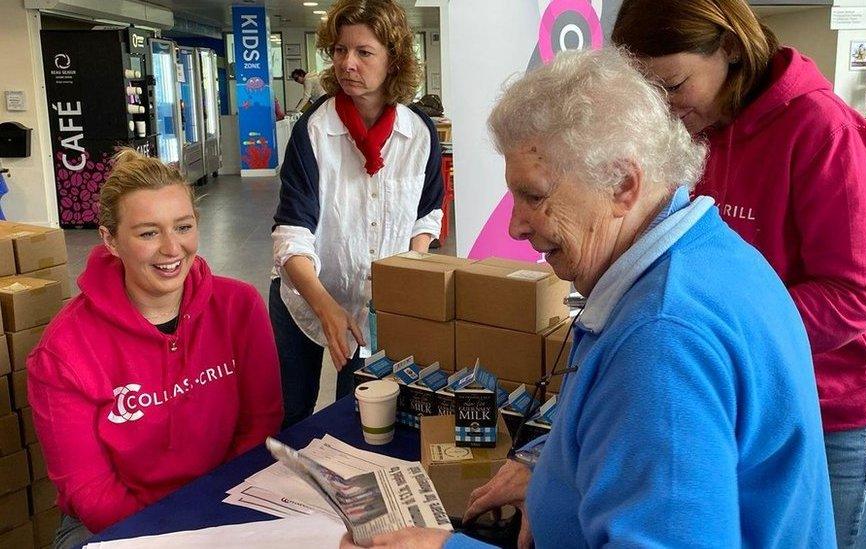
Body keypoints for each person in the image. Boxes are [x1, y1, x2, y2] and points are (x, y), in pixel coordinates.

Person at [341, 47, 834, 548]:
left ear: (622, 184)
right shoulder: (705, 253)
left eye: (534, 195)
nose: (515, 226)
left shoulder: (662, 343)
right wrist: (561, 477)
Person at [611, 1, 866, 547]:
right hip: (740, 403)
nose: (666, 109)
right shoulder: (699, 128)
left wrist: (719, 334)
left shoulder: (825, 133)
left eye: (674, 85)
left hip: (832, 414)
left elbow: (855, 295)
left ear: (727, 46)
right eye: (648, 94)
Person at [27, 149, 283, 549]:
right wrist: (179, 534)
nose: (171, 249)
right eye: (148, 233)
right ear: (110, 240)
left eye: (183, 227)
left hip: (224, 502)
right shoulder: (63, 351)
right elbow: (88, 490)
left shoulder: (239, 307)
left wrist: (218, 519)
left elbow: (260, 423)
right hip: (115, 525)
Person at [272, 0, 443, 429]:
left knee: (359, 413)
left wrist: (409, 270)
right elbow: (292, 231)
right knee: (291, 413)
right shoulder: (313, 130)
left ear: (394, 60)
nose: (347, 63)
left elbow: (428, 212)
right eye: (339, 50)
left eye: (363, 52)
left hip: (374, 307)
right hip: (305, 300)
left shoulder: (418, 133)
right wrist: (326, 306)